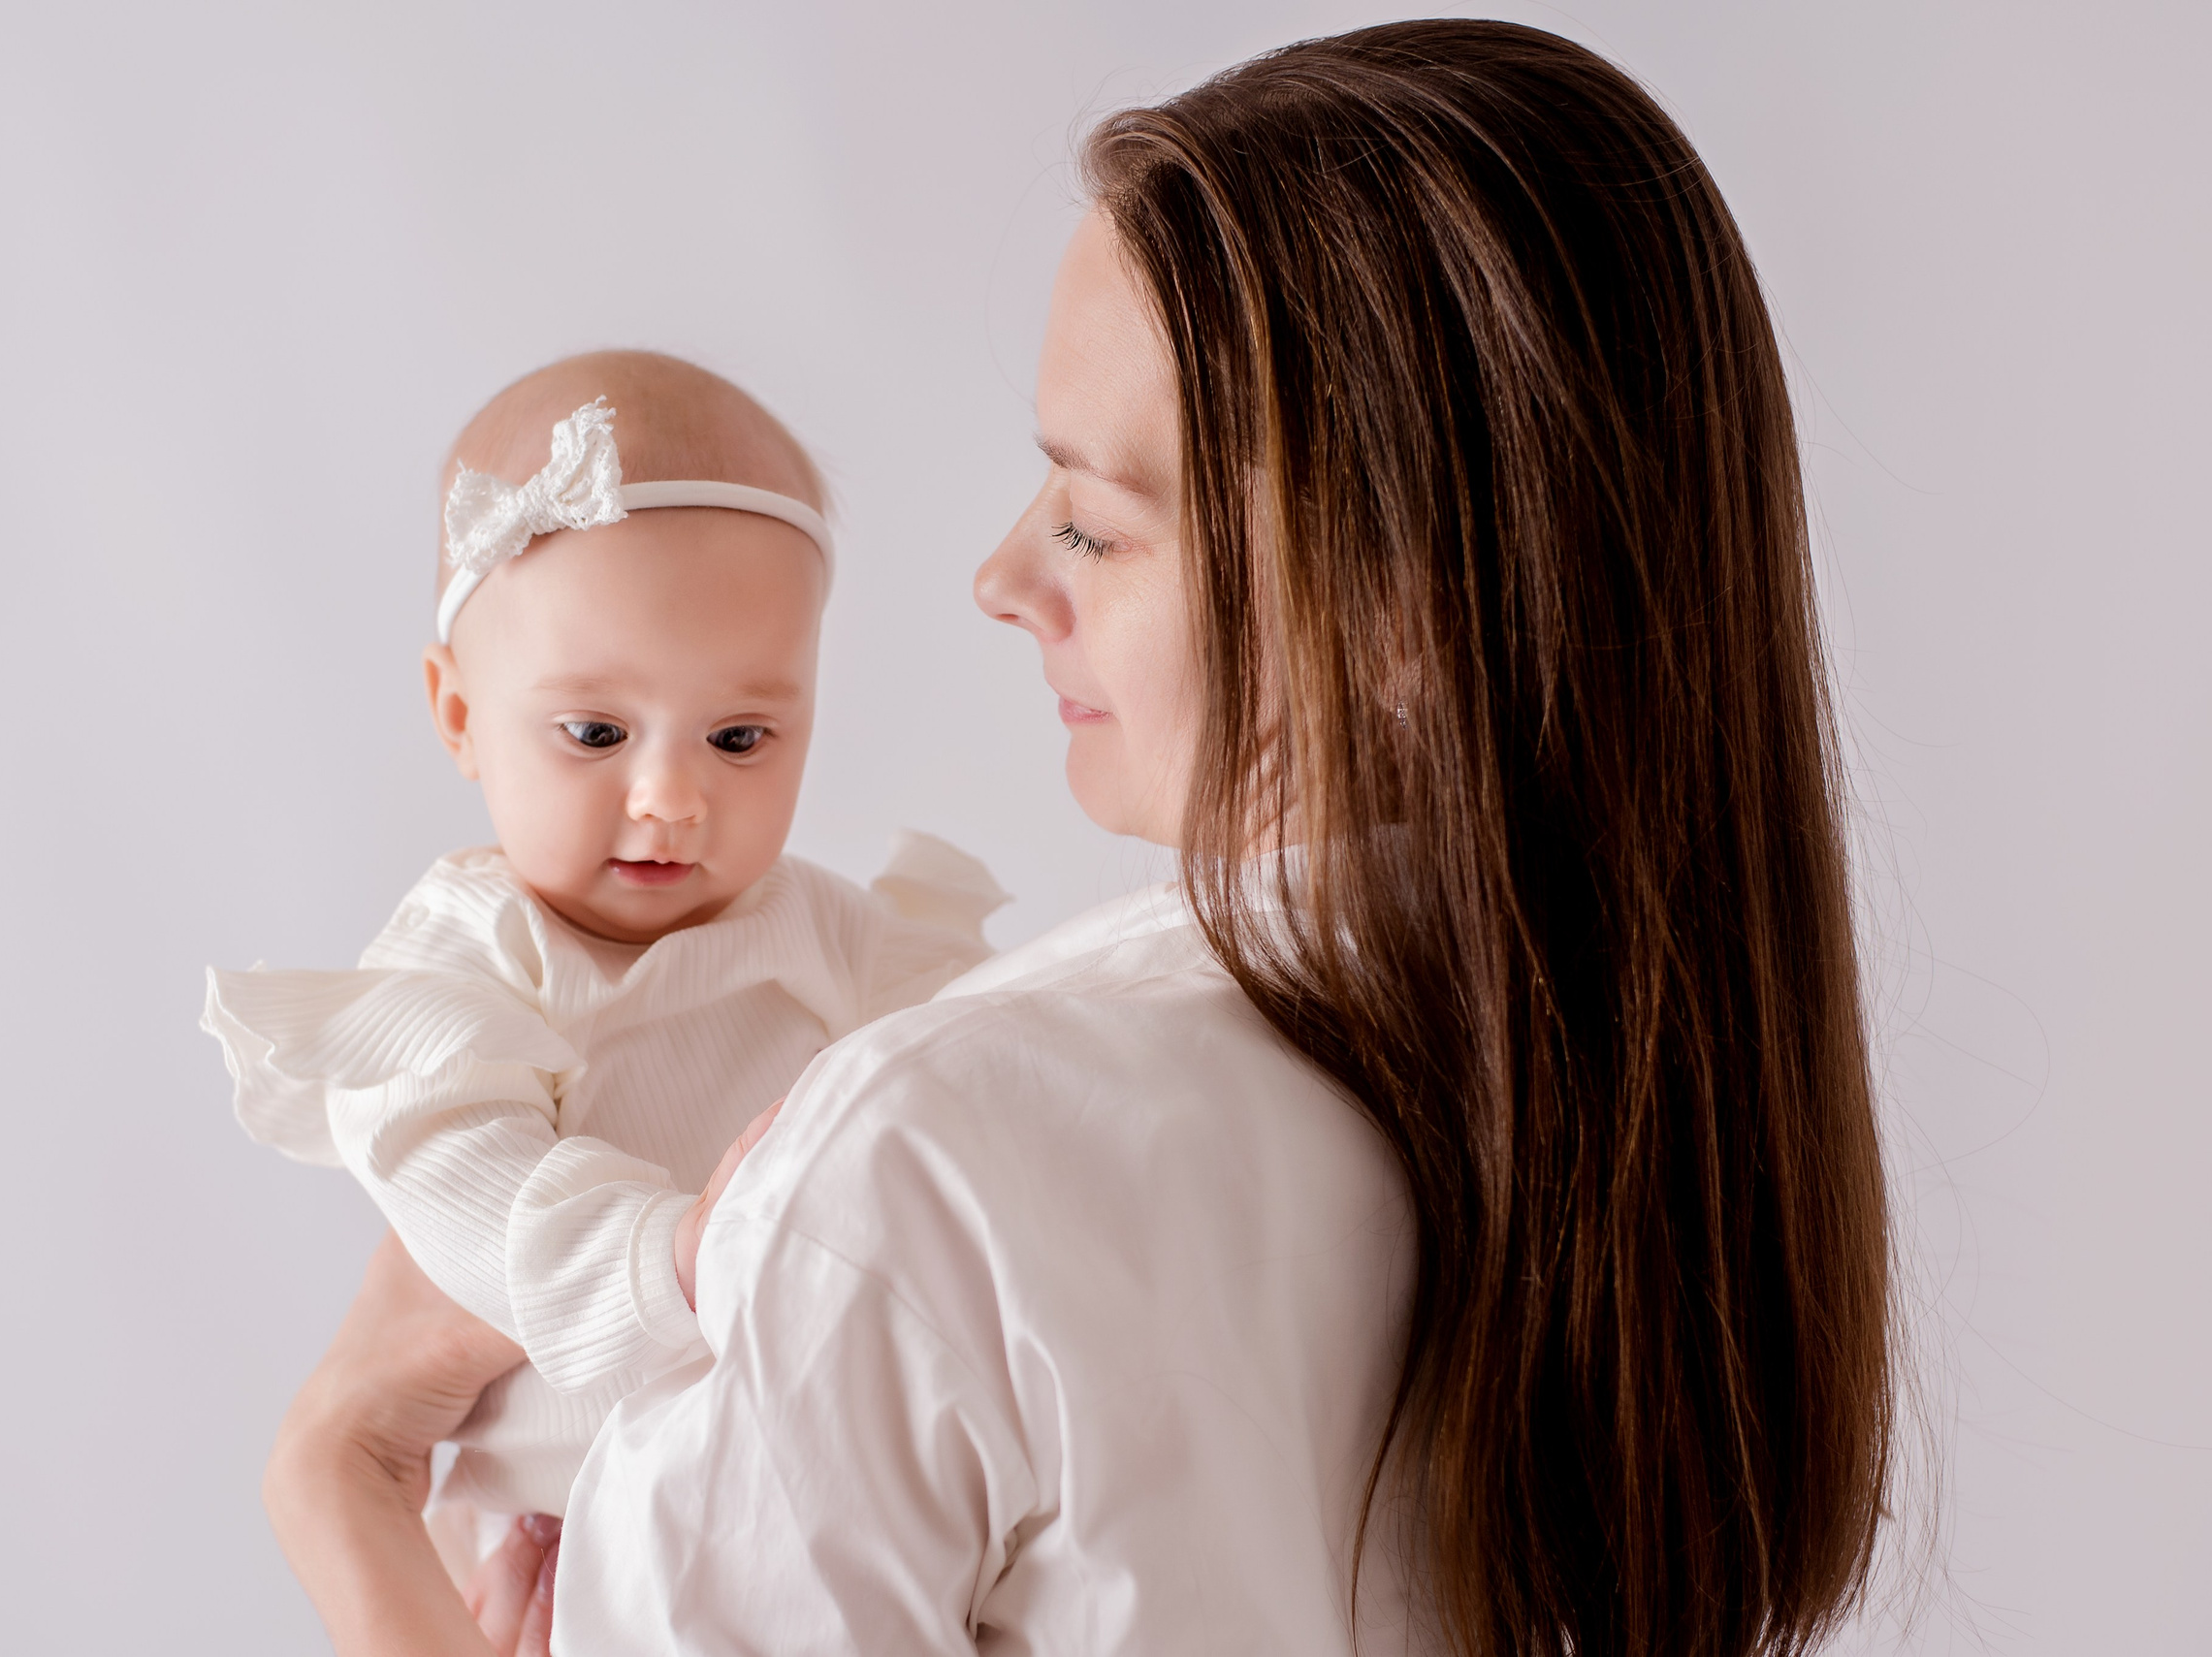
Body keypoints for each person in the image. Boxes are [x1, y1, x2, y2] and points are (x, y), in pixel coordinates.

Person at [262, 20, 1898, 1657]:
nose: (1000, 573)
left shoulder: (917, 1157)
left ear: (1396, 602)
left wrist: (341, 1487)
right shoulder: (1631, 1140)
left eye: (1093, 519)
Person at [203, 351, 1003, 1574]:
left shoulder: (830, 930)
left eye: (741, 736)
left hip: (814, 1481)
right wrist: (671, 1257)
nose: (672, 798)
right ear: (461, 714)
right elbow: (474, 1191)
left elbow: (961, 1076)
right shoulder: (461, 968)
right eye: (594, 732)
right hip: (576, 1524)